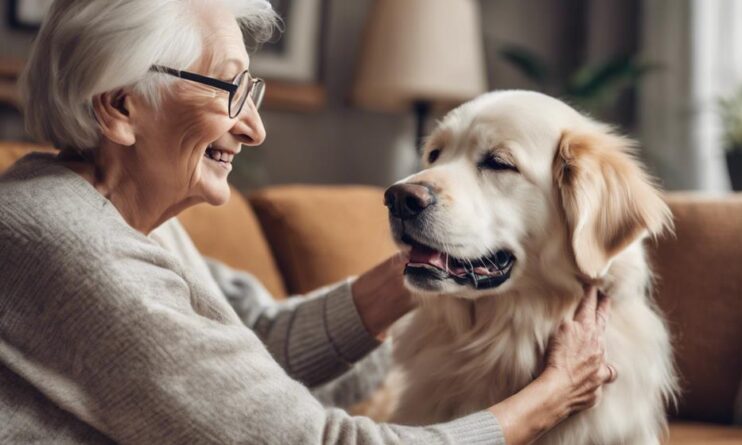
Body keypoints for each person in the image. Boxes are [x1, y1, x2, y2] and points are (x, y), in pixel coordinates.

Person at [0, 1, 616, 444]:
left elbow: (251, 352)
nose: (253, 127)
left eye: (252, 91)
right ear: (120, 107)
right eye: (227, 90)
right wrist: (550, 397)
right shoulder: (69, 245)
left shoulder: (123, 212)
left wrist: (429, 261)